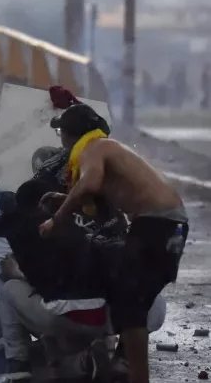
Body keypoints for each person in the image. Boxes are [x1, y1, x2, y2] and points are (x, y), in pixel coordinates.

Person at [39, 103, 188, 383]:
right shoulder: (109, 148)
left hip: (155, 222)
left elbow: (90, 184)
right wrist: (64, 200)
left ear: (68, 135)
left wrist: (56, 220)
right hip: (172, 224)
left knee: (129, 304)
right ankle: (128, 367)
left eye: (61, 133)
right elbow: (106, 195)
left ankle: (136, 376)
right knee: (132, 303)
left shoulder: (93, 148)